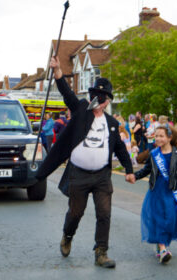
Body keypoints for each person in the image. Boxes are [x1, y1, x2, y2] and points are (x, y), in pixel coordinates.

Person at [36, 56, 135, 269]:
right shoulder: (81, 110)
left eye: (101, 97)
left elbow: (119, 148)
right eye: (94, 95)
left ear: (107, 100)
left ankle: (101, 253)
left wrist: (128, 170)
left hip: (101, 176)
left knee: (104, 213)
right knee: (75, 213)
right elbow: (67, 93)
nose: (97, 99)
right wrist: (58, 71)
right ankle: (67, 235)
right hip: (78, 174)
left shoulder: (111, 123)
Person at [133, 124, 177, 264]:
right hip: (156, 191)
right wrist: (134, 176)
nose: (158, 138)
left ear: (169, 138)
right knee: (158, 219)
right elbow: (146, 170)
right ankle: (163, 249)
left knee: (169, 219)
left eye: (161, 136)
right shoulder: (154, 154)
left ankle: (161, 245)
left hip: (171, 192)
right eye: (156, 136)